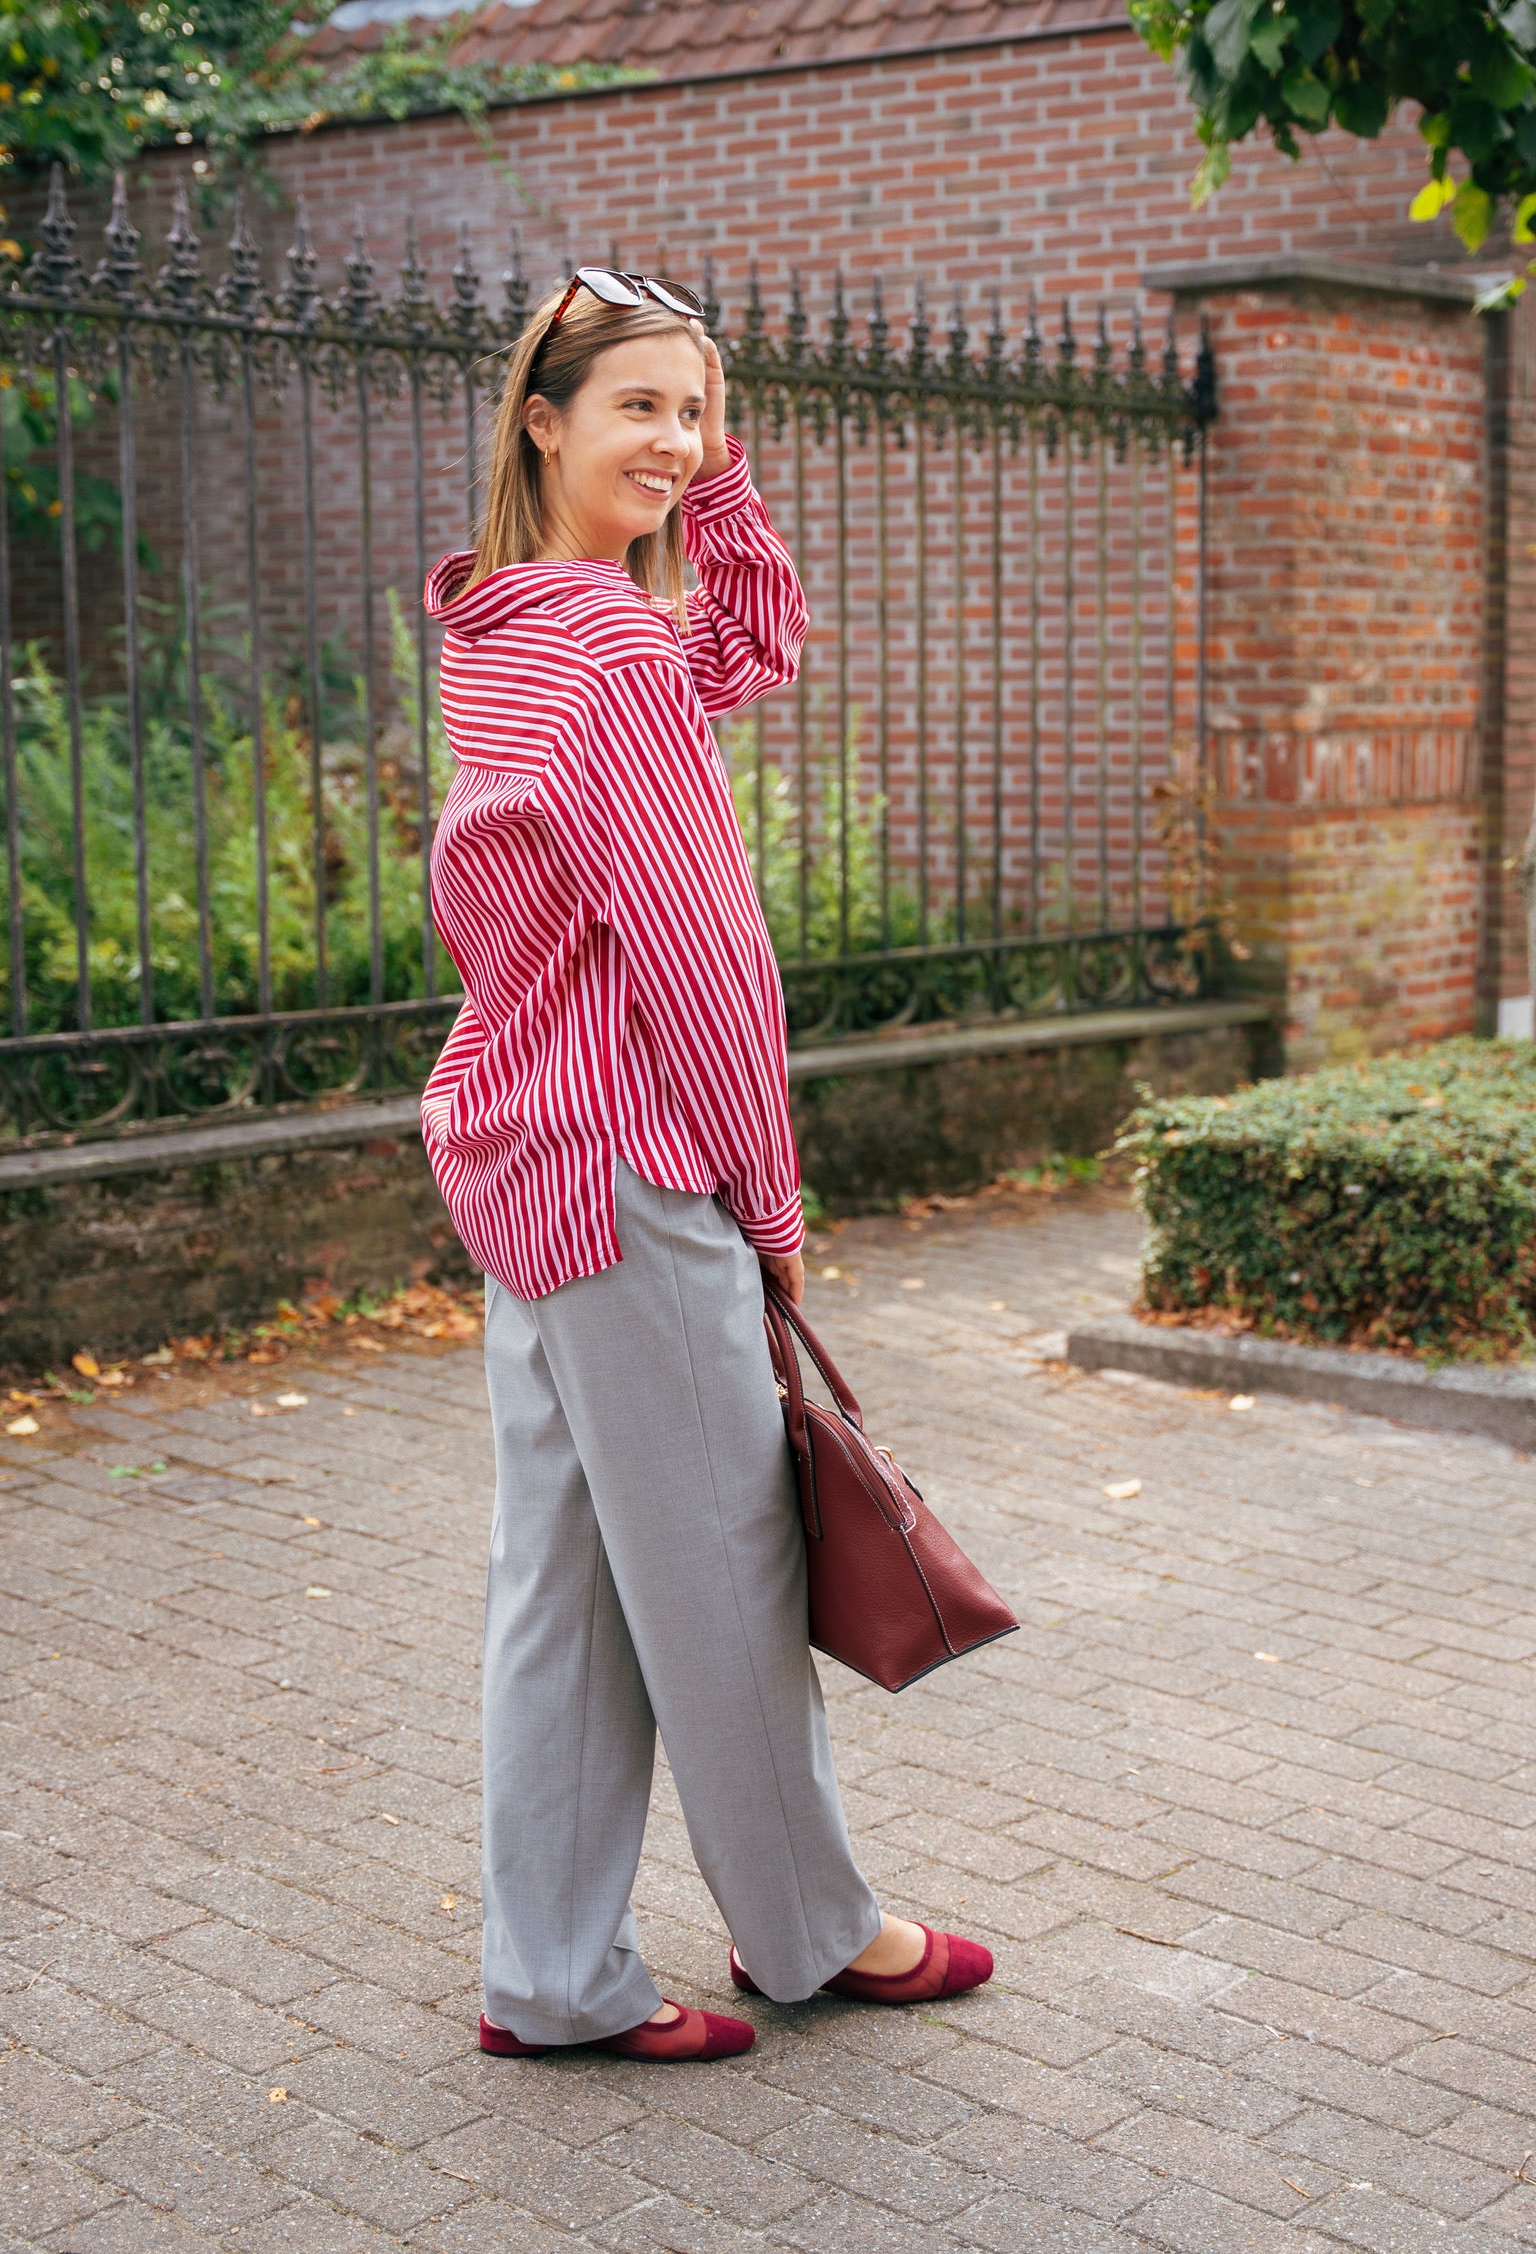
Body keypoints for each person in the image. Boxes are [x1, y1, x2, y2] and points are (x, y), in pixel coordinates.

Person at [421, 268, 993, 2063]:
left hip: (528, 1158)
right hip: (633, 1169)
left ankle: (552, 1980)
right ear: (543, 421)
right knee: (729, 1579)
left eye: (696, 411)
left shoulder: (502, 620)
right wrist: (772, 1204)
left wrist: (709, 475)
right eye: (639, 409)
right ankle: (815, 1934)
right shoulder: (606, 655)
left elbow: (748, 648)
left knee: (568, 1589)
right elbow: (707, 956)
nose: (674, 442)